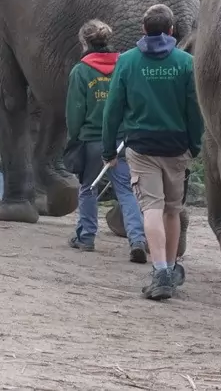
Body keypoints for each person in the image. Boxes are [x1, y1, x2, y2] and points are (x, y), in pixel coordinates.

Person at [101, 3, 204, 301]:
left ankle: (159, 270)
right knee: (173, 209)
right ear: (171, 30)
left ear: (143, 29)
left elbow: (112, 110)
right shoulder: (185, 63)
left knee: (152, 208)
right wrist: (195, 144)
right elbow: (195, 111)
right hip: (176, 146)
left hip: (142, 146)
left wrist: (109, 148)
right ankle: (170, 269)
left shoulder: (128, 61)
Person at [64, 19, 148, 263]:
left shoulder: (80, 71)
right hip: (122, 140)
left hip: (91, 140)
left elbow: (75, 111)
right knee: (126, 191)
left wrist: (74, 138)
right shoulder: (124, 66)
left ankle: (86, 236)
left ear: (83, 42)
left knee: (88, 188)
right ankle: (137, 239)